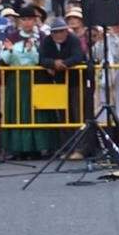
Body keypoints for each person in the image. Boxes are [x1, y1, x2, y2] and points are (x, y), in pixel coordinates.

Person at [38, 15, 88, 154]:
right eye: (55, 32)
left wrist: (63, 64)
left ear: (66, 31)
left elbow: (78, 56)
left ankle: (81, 147)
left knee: (78, 114)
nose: (58, 34)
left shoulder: (73, 40)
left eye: (61, 31)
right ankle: (67, 146)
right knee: (63, 115)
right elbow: (41, 58)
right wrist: (53, 63)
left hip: (76, 82)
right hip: (58, 83)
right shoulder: (47, 41)